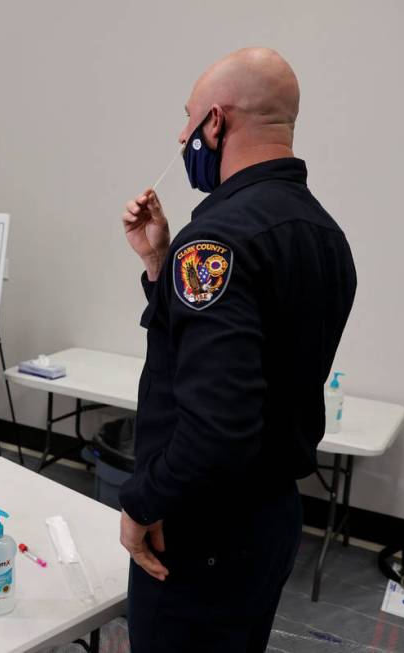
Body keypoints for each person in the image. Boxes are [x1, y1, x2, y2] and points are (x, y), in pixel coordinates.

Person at [118, 48, 357, 651]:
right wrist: (158, 264)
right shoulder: (325, 235)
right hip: (270, 520)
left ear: (216, 122)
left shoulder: (217, 241)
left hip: (201, 529)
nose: (182, 135)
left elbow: (217, 428)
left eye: (189, 119)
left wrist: (139, 506)